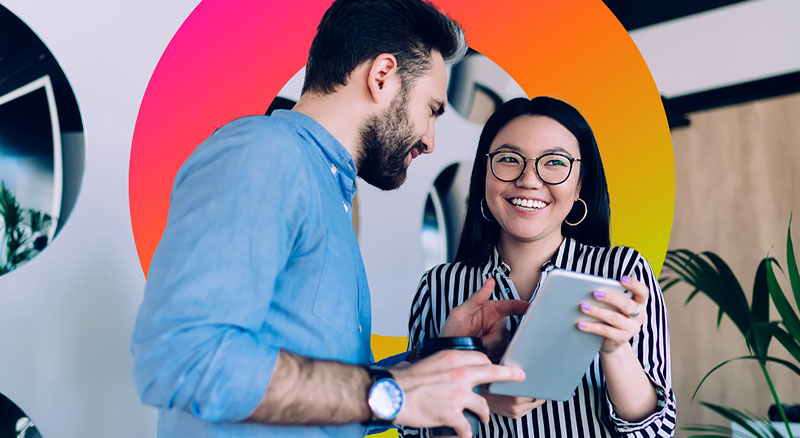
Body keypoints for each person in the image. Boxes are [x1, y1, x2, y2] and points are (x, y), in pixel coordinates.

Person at [130, 1, 531, 437]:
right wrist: (393, 393)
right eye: (432, 109)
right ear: (382, 77)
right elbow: (182, 358)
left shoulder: (328, 189)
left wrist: (435, 362)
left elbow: (332, 404)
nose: (431, 141)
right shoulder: (264, 154)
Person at [401, 97, 677, 437]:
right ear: (484, 174)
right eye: (507, 159)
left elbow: (657, 430)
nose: (529, 180)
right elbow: (413, 432)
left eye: (555, 162)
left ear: (579, 184)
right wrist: (480, 394)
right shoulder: (440, 288)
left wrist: (616, 349)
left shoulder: (620, 272)